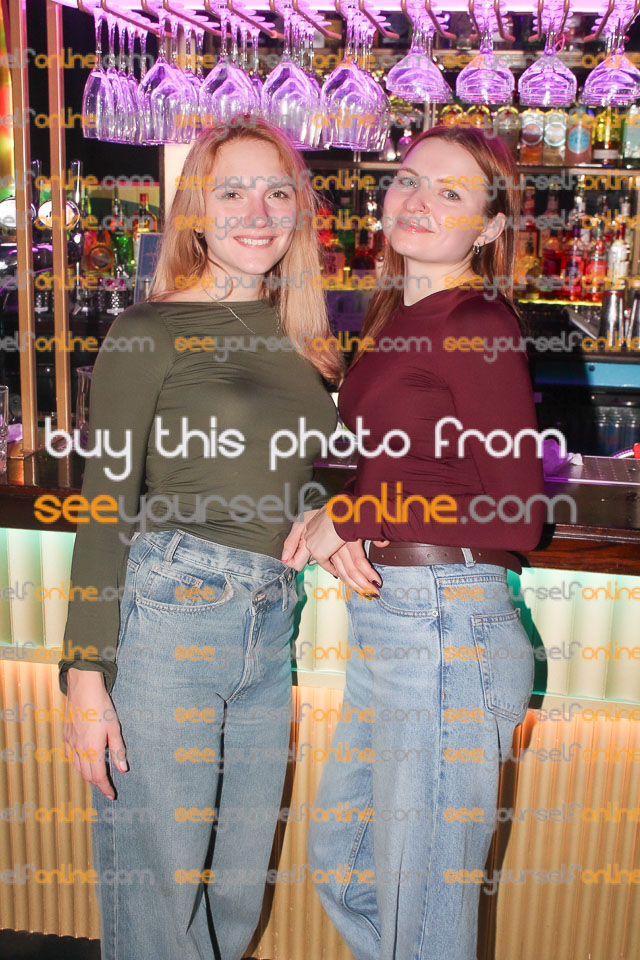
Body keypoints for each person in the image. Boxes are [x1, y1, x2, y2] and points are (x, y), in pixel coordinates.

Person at [59, 117, 342, 960]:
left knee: (235, 893)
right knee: (162, 898)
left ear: (298, 212)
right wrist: (84, 674)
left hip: (270, 622)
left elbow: (304, 469)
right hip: (172, 610)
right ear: (195, 214)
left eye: (277, 191)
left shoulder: (303, 339)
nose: (257, 212)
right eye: (232, 191)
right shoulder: (149, 331)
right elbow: (105, 502)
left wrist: (327, 514)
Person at [300, 125, 546, 960]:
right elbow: (384, 464)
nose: (418, 200)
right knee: (345, 866)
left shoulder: (477, 320)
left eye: (451, 191)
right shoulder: (397, 318)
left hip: (449, 625)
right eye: (408, 180)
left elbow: (517, 513)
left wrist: (357, 517)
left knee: (424, 908)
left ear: (490, 227)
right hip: (397, 623)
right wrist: (334, 507)